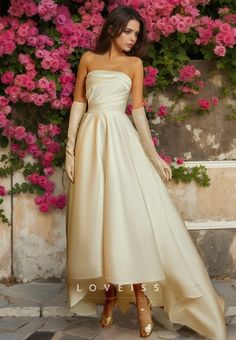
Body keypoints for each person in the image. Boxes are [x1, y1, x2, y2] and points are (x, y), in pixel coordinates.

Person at [65, 5, 227, 339]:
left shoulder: (135, 65)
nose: (133, 38)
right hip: (90, 143)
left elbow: (137, 112)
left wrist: (154, 158)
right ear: (113, 28)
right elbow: (78, 104)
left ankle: (141, 300)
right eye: (128, 31)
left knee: (128, 218)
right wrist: (69, 152)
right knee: (97, 219)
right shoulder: (88, 60)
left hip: (121, 143)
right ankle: (109, 294)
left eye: (136, 34)